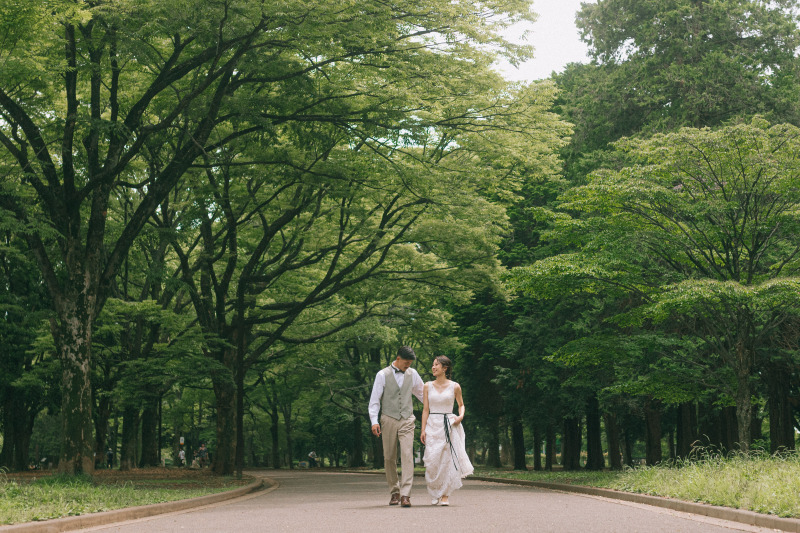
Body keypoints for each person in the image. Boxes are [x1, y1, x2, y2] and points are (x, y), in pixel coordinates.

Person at [368, 346, 424, 507]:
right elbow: (374, 400)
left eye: (410, 363)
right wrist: (374, 421)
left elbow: (422, 394)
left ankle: (406, 495)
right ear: (398, 359)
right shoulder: (382, 375)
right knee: (389, 457)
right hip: (388, 418)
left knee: (407, 455)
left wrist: (437, 410)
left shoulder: (413, 374)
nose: (408, 366)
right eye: (406, 363)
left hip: (407, 419)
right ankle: (394, 492)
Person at [420, 355, 473, 506]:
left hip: (449, 424)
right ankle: (434, 491)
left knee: (447, 460)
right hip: (432, 424)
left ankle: (445, 495)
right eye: (433, 365)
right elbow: (425, 410)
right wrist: (423, 430)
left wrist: (460, 416)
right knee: (432, 460)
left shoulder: (455, 386)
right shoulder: (427, 386)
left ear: (445, 368)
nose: (433, 367)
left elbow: (461, 404)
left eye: (436, 365)